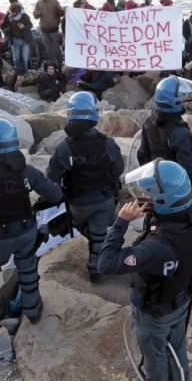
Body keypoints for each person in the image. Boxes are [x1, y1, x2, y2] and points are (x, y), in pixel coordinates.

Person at [98, 159, 192, 381]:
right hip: (181, 296)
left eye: (149, 194)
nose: (144, 196)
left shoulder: (157, 248)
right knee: (176, 345)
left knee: (155, 354)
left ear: (164, 202)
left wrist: (121, 223)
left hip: (155, 310)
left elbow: (106, 265)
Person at [0, 118, 62, 321]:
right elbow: (56, 194)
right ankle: (32, 310)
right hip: (27, 231)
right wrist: (39, 203)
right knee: (28, 268)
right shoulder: (27, 172)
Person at [47, 91, 124, 281]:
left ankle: (94, 237)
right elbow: (118, 169)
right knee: (99, 231)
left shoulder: (64, 147)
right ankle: (96, 266)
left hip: (77, 203)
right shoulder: (108, 143)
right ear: (93, 115)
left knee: (77, 222)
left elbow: (52, 177)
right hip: (105, 198)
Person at [137, 75, 192, 204]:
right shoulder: (180, 133)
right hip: (175, 186)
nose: (188, 102)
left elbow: (142, 155)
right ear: (174, 103)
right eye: (185, 100)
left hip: (156, 181)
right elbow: (187, 167)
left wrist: (150, 182)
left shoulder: (149, 122)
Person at [33, 0, 65, 70]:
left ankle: (60, 65)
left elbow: (61, 12)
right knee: (48, 50)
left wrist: (61, 11)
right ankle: (53, 66)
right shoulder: (39, 3)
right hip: (44, 31)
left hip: (54, 30)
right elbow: (35, 15)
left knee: (57, 49)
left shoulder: (54, 1)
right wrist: (37, 14)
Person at [7, 2, 33, 78]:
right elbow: (4, 26)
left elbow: (30, 25)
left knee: (24, 58)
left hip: (25, 40)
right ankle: (18, 74)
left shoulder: (24, 16)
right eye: (11, 11)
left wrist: (23, 27)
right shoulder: (9, 17)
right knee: (16, 59)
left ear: (18, 11)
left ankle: (25, 72)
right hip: (14, 40)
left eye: (13, 12)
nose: (12, 14)